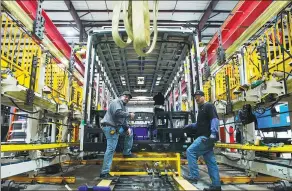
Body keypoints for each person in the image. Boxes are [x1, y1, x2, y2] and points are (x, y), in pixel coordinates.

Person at [183, 90, 221, 191]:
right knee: (211, 162)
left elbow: (214, 119)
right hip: (207, 139)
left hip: (205, 137)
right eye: (195, 97)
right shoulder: (201, 109)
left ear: (203, 97)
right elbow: (199, 124)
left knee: (190, 151)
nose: (196, 98)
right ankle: (216, 185)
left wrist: (213, 133)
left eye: (198, 96)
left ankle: (194, 176)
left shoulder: (208, 106)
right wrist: (189, 126)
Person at [99, 91, 136, 178]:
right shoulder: (116, 102)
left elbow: (123, 121)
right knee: (111, 149)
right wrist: (129, 114)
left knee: (130, 133)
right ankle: (104, 173)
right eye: (126, 96)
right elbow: (117, 113)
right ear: (121, 96)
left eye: (129, 98)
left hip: (116, 128)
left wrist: (127, 129)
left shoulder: (124, 107)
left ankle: (126, 152)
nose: (127, 98)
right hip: (110, 127)